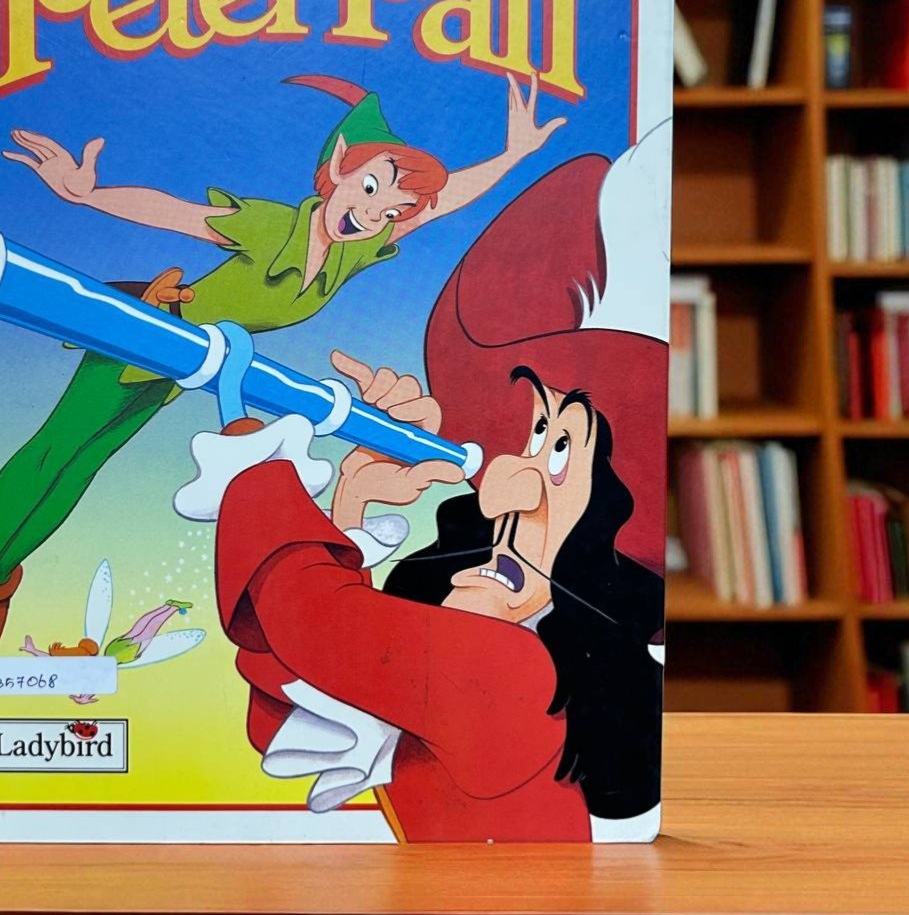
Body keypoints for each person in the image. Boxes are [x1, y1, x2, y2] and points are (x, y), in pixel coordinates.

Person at [0, 72, 566, 679]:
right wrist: (86, 195)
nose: (371, 213)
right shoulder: (273, 226)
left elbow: (439, 204)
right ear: (339, 165)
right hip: (149, 333)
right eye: (371, 188)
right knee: (55, 451)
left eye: (389, 211)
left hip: (183, 366)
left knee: (86, 462)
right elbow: (178, 215)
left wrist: (513, 154)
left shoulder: (352, 252)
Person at [211, 142, 669, 840]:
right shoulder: (490, 655)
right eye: (534, 431)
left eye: (561, 451)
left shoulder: (520, 675)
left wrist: (254, 461)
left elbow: (311, 622)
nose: (505, 486)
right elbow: (295, 694)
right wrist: (352, 498)